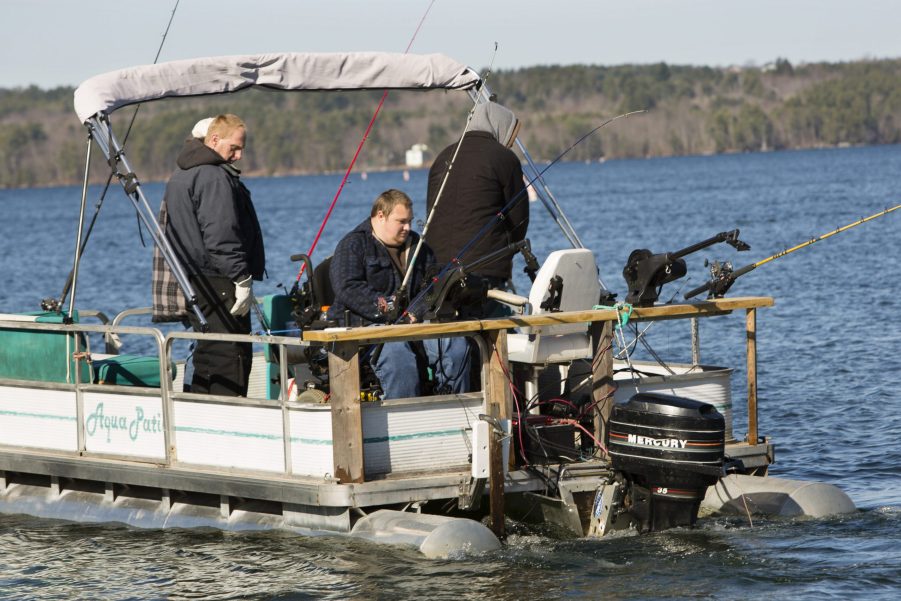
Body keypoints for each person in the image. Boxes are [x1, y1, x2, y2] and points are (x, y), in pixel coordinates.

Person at [155, 113, 265, 396]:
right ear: (214, 140)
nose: (238, 156)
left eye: (242, 149)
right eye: (234, 148)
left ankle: (196, 418)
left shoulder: (181, 174)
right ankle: (225, 426)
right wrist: (241, 278)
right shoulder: (213, 176)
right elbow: (221, 235)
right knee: (231, 358)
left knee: (207, 355)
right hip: (219, 282)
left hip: (194, 281)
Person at [327, 189, 470, 399]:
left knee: (455, 345)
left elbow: (430, 287)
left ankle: (456, 409)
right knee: (397, 353)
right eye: (401, 221)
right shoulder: (353, 245)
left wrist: (415, 312)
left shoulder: (420, 248)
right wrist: (387, 309)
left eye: (410, 221)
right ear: (380, 216)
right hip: (365, 328)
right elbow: (347, 287)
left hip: (414, 325)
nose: (408, 227)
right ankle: (403, 423)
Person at [425, 100, 528, 300]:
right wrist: (507, 251)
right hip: (486, 268)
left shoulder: (443, 156)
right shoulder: (504, 158)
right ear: (500, 126)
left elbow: (431, 212)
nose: (511, 143)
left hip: (438, 269)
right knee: (498, 324)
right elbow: (519, 219)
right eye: (511, 136)